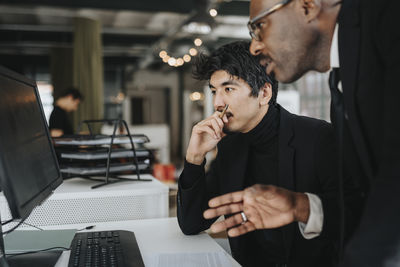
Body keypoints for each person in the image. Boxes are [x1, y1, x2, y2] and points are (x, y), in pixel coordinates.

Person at [204, 0, 400, 266]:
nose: (255, 46)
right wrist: (301, 207)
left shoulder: (384, 19)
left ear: (307, 6)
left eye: (259, 26)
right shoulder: (341, 81)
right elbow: (367, 203)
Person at [177, 41, 340, 267]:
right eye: (214, 91)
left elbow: (351, 217)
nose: (217, 103)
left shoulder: (318, 137)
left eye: (228, 89)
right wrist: (194, 159)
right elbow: (192, 223)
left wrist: (299, 207)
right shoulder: (229, 146)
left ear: (264, 92)